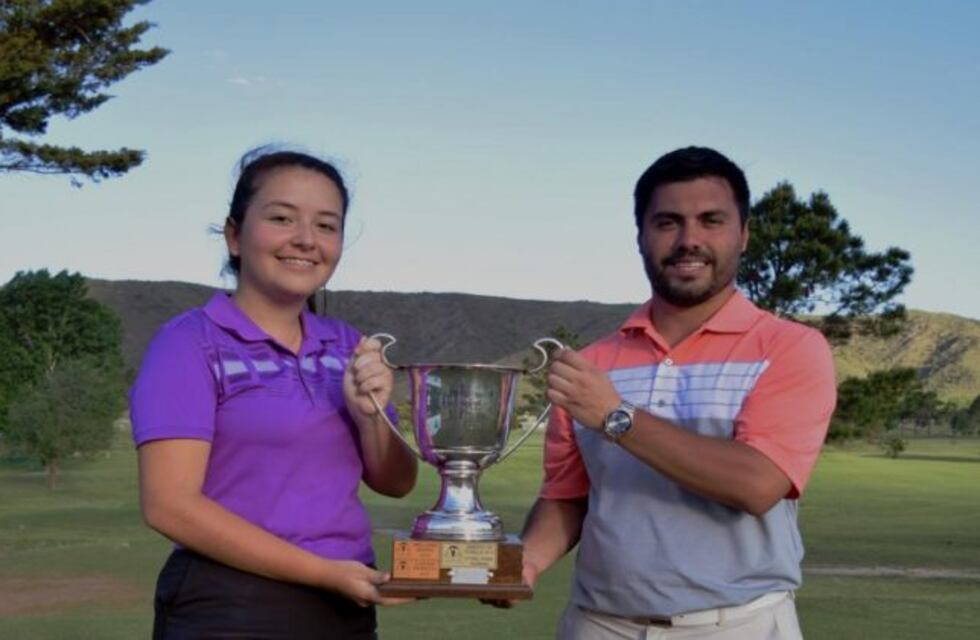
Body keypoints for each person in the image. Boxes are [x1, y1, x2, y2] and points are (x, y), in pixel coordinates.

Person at [520, 147, 836, 639]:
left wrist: (615, 416)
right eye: (667, 222)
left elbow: (756, 484)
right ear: (641, 237)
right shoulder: (594, 365)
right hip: (600, 624)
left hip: (739, 625)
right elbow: (568, 497)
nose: (690, 240)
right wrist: (526, 564)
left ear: (744, 234)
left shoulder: (791, 348)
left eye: (711, 221)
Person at [130, 148, 418, 639]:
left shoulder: (348, 344)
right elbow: (169, 505)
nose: (306, 240)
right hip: (231, 606)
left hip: (344, 606)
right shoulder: (189, 343)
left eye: (327, 226)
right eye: (282, 218)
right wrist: (323, 572)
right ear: (235, 235)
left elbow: (396, 481)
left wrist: (371, 418)